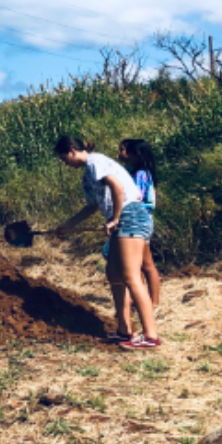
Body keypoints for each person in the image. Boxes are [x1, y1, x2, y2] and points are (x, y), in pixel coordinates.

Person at [53, 136, 158, 350]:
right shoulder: (87, 176)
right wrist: (68, 225)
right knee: (114, 275)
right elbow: (92, 206)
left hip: (131, 216)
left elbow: (118, 188)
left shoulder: (95, 161)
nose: (65, 164)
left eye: (65, 159)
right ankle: (124, 330)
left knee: (131, 276)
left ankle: (150, 336)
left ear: (72, 151)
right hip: (121, 220)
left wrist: (115, 218)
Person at [119, 138, 162, 309]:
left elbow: (135, 197)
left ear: (134, 153)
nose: (120, 153)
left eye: (122, 149)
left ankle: (153, 302)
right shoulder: (132, 171)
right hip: (138, 219)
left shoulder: (141, 174)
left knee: (145, 264)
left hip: (138, 219)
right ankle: (144, 300)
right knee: (143, 264)